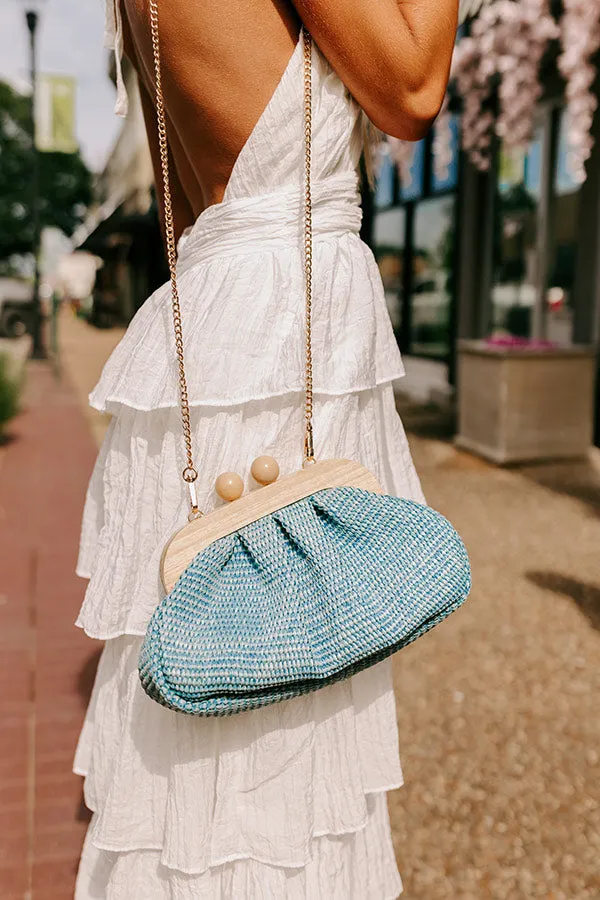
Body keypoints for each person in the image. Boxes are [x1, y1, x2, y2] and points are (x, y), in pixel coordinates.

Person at [74, 1, 457, 896]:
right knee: (271, 732)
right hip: (280, 332)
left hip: (233, 317)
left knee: (242, 734)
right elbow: (411, 85)